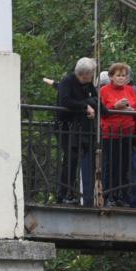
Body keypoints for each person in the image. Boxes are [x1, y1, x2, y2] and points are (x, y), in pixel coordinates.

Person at [98, 62, 136, 207]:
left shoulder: (131, 90)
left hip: (128, 133)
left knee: (125, 167)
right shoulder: (104, 91)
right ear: (111, 77)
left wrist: (132, 109)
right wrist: (115, 107)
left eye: (124, 76)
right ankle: (109, 196)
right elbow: (102, 111)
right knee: (111, 165)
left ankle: (123, 197)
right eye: (118, 75)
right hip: (110, 133)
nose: (121, 78)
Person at [54, 57, 99, 205]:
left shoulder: (88, 84)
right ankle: (63, 194)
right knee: (70, 159)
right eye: (91, 74)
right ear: (84, 74)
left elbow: (95, 99)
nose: (92, 77)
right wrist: (86, 107)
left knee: (76, 158)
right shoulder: (67, 81)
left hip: (79, 127)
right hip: (65, 126)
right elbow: (66, 101)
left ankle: (71, 193)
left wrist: (94, 107)